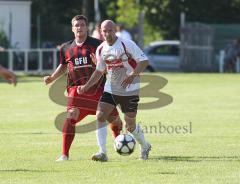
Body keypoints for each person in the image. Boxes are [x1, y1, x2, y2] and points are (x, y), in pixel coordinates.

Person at [43, 15, 122, 162]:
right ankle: (64, 155)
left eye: (82, 25)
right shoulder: (66, 47)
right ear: (72, 28)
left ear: (87, 27)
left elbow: (110, 64)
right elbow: (64, 65)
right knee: (70, 116)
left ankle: (120, 144)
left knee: (116, 122)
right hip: (76, 91)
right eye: (76, 25)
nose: (79, 27)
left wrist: (101, 64)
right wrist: (52, 77)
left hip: (98, 90)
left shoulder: (98, 44)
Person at [77, 20, 151, 161]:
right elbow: (99, 71)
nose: (107, 34)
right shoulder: (101, 49)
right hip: (111, 88)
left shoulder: (126, 44)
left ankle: (145, 146)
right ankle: (102, 152)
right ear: (101, 31)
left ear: (115, 30)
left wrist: (132, 75)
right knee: (100, 115)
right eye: (104, 31)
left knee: (130, 125)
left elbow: (144, 61)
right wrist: (86, 87)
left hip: (130, 89)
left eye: (110, 30)